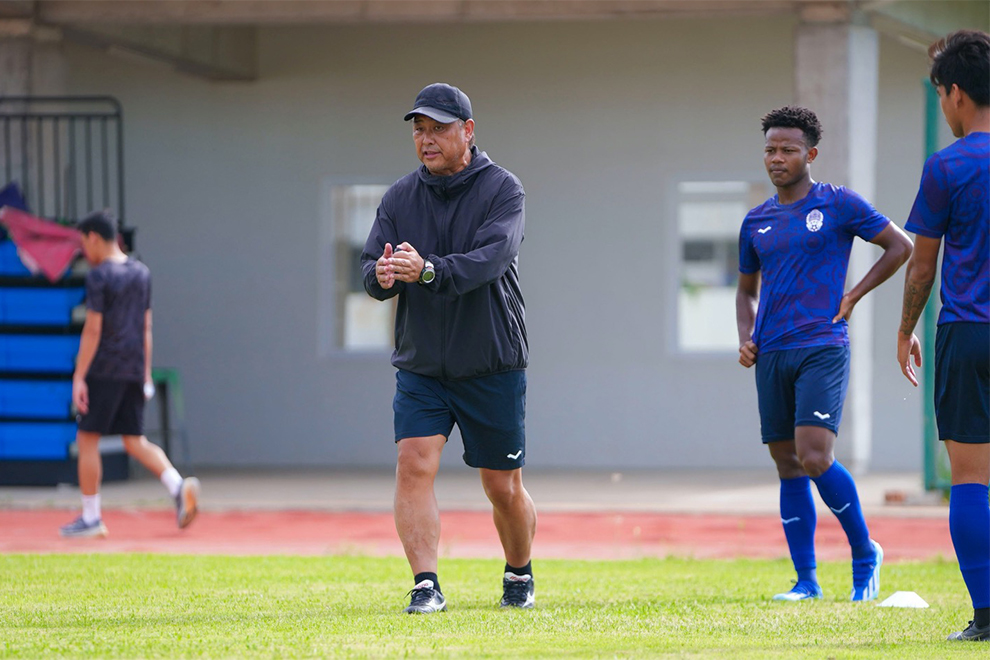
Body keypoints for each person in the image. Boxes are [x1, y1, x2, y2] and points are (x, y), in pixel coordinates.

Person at [361, 83, 536, 614]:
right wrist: (384, 274)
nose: (427, 139)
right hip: (422, 365)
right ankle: (425, 584)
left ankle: (519, 573)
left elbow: (492, 258)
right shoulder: (398, 197)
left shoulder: (504, 190)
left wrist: (430, 269)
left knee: (502, 486)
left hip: (490, 360)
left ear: (469, 131)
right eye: (419, 129)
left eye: (438, 128)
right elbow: (370, 270)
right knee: (413, 463)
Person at [736, 106, 913, 602]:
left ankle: (865, 555)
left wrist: (853, 296)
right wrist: (746, 335)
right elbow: (745, 291)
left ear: (810, 154)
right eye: (770, 149)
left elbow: (899, 246)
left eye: (788, 149)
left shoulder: (839, 204)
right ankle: (806, 581)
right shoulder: (756, 221)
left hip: (822, 346)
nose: (777, 158)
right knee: (786, 462)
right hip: (772, 352)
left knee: (815, 456)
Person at [897, 30, 989, 642]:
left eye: (939, 96)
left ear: (955, 94)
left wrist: (905, 328)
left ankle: (987, 615)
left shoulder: (948, 165)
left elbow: (922, 264)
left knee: (971, 479)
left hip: (968, 334)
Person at [59, 210, 200, 538]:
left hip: (105, 369)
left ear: (94, 237)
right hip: (134, 368)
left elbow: (93, 330)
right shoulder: (141, 273)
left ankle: (91, 517)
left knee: (87, 438)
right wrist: (145, 373)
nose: (85, 251)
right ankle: (178, 486)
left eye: (84, 243)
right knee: (134, 440)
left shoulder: (99, 276)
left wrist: (79, 376)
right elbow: (146, 326)